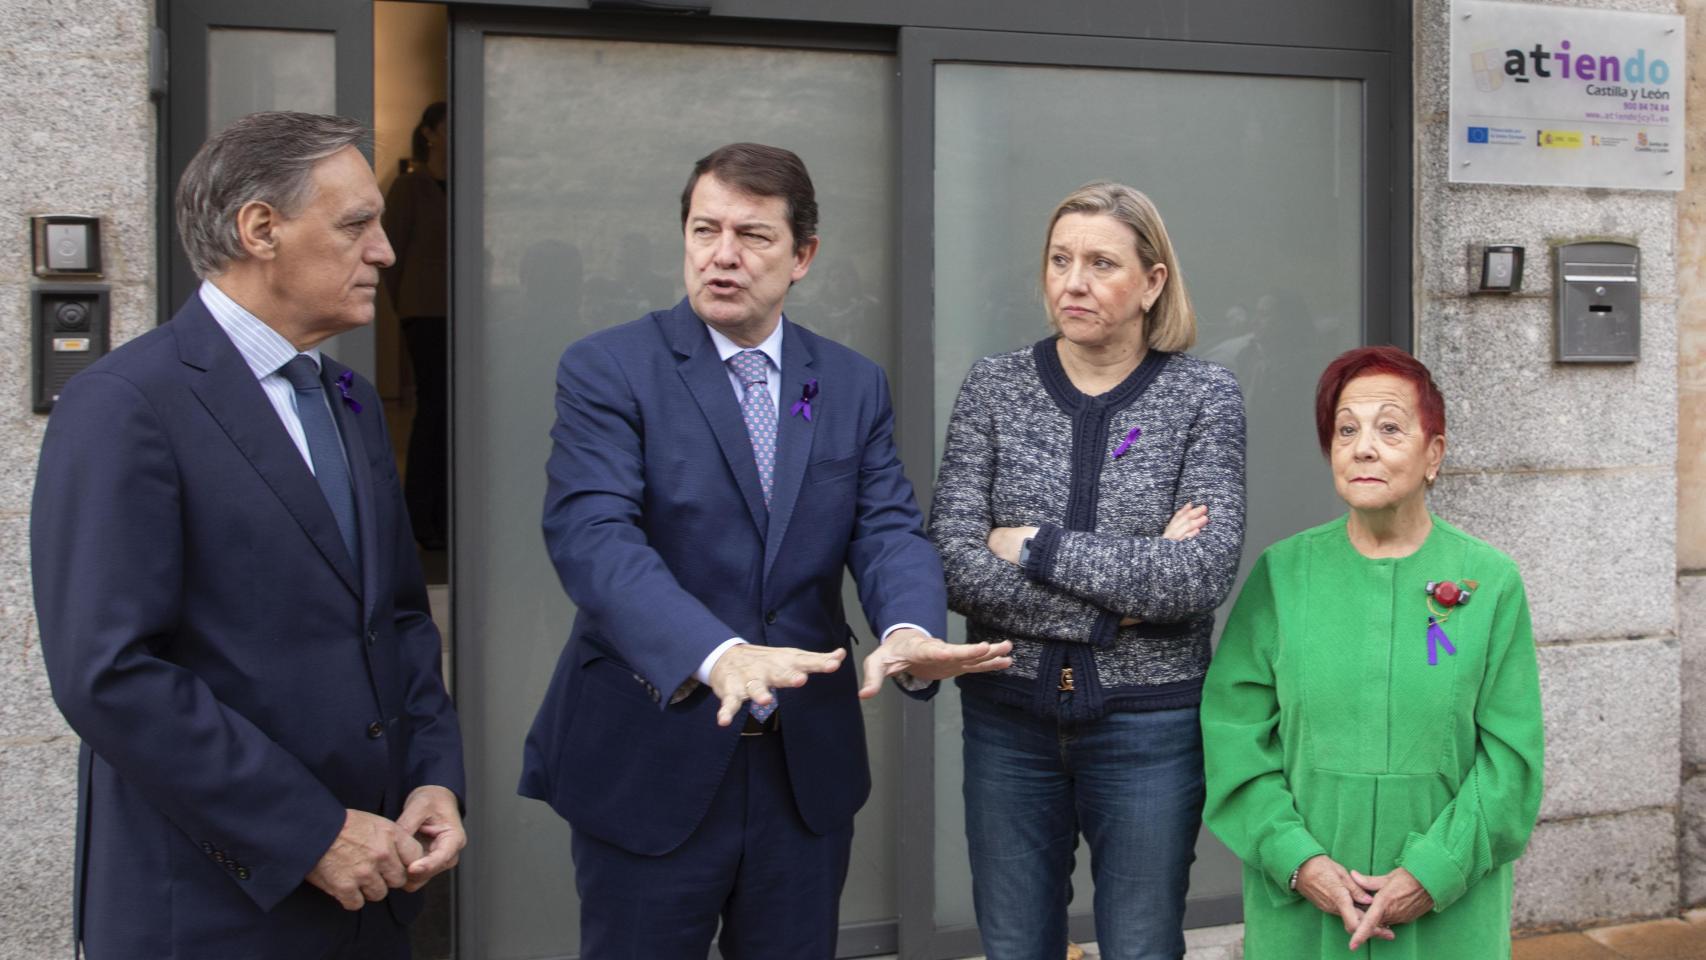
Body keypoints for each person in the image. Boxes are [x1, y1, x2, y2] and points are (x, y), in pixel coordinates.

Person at [517, 142, 1012, 959]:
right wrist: (715, 653)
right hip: (651, 755)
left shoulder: (851, 384)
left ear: (803, 255)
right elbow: (592, 537)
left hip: (800, 774)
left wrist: (908, 633)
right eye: (704, 229)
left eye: (752, 235)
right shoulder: (611, 369)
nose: (721, 255)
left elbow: (887, 527)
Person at [32, 111, 466, 960]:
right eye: (356, 225)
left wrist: (433, 778)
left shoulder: (348, 402)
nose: (384, 250)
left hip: (374, 899)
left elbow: (401, 619)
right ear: (260, 228)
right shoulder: (126, 404)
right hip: (211, 909)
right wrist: (309, 833)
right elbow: (109, 674)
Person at [930, 180, 1247, 960]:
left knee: (1141, 946)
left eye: (1102, 263)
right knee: (1014, 946)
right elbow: (952, 560)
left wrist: (1032, 545)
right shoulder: (994, 387)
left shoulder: (1203, 396)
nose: (1073, 282)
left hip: (1149, 724)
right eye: (1059, 260)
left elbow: (1199, 576)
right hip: (1007, 717)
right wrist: (1113, 609)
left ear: (1152, 282)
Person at [1200, 346, 1544, 958]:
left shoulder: (1488, 580)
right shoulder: (1284, 574)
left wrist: (1433, 872)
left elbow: (1511, 762)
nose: (1363, 447)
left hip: (1448, 910)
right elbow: (1233, 733)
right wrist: (1297, 859)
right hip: (1303, 907)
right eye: (1346, 430)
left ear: (1433, 453)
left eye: (1390, 428)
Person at [382, 101, 450, 550]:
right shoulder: (410, 187)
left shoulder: (469, 183)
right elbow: (391, 257)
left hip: (463, 315)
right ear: (428, 133)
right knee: (434, 407)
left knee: (456, 413)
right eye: (449, 126)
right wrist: (407, 305)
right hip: (425, 312)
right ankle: (419, 518)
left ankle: (448, 515)